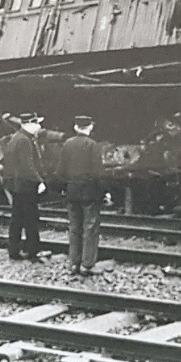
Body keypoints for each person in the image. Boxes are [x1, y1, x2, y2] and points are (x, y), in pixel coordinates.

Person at [58, 114, 106, 275]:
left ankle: (73, 263)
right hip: (90, 193)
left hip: (72, 192)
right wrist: (105, 192)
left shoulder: (67, 144)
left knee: (74, 227)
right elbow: (98, 173)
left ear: (75, 127)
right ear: (90, 127)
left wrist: (64, 188)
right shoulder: (93, 146)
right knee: (90, 228)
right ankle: (87, 265)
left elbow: (61, 171)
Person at [0, 113, 49, 261]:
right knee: (31, 219)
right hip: (25, 186)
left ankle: (14, 251)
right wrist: (39, 181)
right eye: (37, 123)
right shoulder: (24, 140)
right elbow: (27, 166)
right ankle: (33, 251)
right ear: (29, 124)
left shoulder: (18, 138)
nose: (39, 126)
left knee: (18, 219)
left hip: (17, 185)